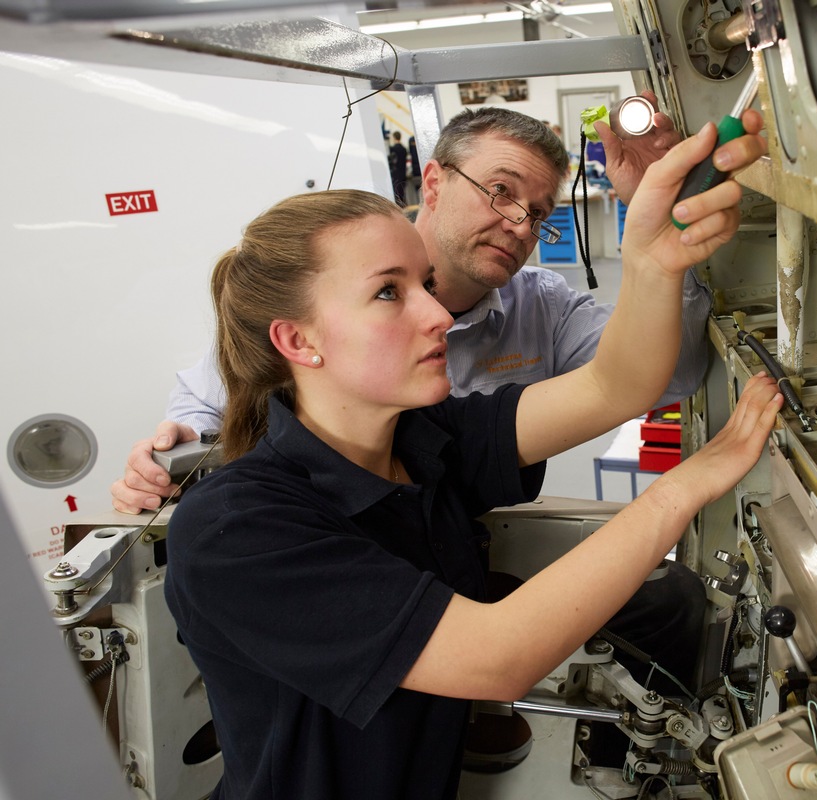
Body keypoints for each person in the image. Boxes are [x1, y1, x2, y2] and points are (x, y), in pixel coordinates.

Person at [113, 103, 765, 755]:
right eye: (390, 293)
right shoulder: (239, 531)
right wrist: (686, 487)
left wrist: (653, 257)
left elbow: (617, 384)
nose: (436, 315)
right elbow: (496, 657)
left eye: (424, 285)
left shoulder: (423, 440)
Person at [386, 130, 408, 205]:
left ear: (394, 138)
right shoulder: (404, 149)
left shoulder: (393, 149)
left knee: (397, 194)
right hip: (403, 173)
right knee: (402, 193)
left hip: (396, 174)